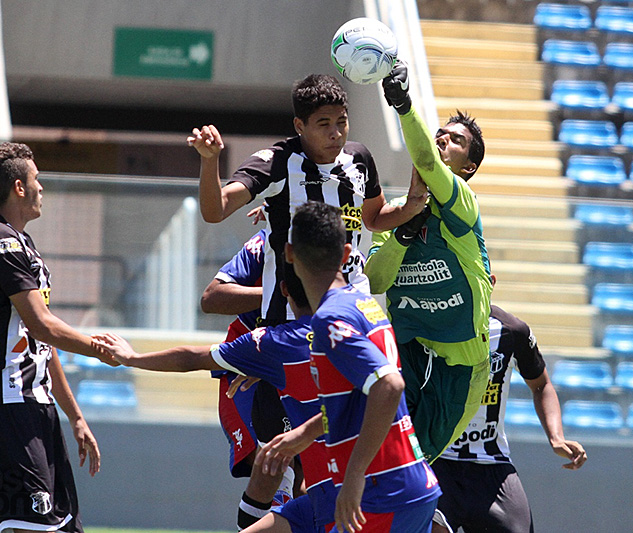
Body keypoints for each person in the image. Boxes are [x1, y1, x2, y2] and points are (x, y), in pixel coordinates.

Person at [94, 260, 338, 532]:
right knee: (276, 468)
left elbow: (190, 358)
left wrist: (132, 358)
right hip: (343, 486)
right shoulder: (354, 328)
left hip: (350, 496)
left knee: (279, 467)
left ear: (282, 290)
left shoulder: (274, 342)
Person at [255, 201, 441, 533]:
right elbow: (360, 396)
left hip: (380, 491)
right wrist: (305, 433)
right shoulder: (363, 303)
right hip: (409, 484)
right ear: (345, 254)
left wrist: (354, 476)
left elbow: (389, 385)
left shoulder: (329, 318)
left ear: (289, 253)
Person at [187, 73, 426, 324]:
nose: (335, 133)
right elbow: (216, 211)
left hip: (355, 307)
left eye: (341, 121)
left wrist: (411, 206)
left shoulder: (359, 157)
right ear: (299, 126)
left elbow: (375, 218)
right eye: (324, 124)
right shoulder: (276, 163)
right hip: (293, 316)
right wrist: (210, 160)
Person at [0, 142, 116, 533]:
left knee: (63, 527)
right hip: (4, 401)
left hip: (32, 403)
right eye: (35, 179)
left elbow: (41, 343)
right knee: (33, 527)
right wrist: (99, 349)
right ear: (18, 187)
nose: (41, 187)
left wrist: (75, 416)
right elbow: (43, 325)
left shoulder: (23, 243)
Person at [364, 62, 492, 463]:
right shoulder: (395, 213)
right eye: (440, 133)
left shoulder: (462, 205)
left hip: (460, 364)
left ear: (467, 168)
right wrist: (403, 232)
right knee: (378, 457)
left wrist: (403, 105)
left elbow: (429, 162)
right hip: (409, 351)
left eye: (455, 141)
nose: (442, 139)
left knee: (414, 465)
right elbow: (376, 281)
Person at [431, 300, 588, 533]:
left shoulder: (512, 331)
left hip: (491, 463)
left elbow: (541, 385)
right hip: (436, 461)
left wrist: (556, 437)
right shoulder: (425, 324)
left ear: (490, 282)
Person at [201, 229, 300, 529]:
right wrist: (275, 293)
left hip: (301, 367)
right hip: (246, 372)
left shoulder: (344, 238)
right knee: (275, 472)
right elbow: (211, 298)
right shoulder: (267, 239)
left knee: (311, 486)